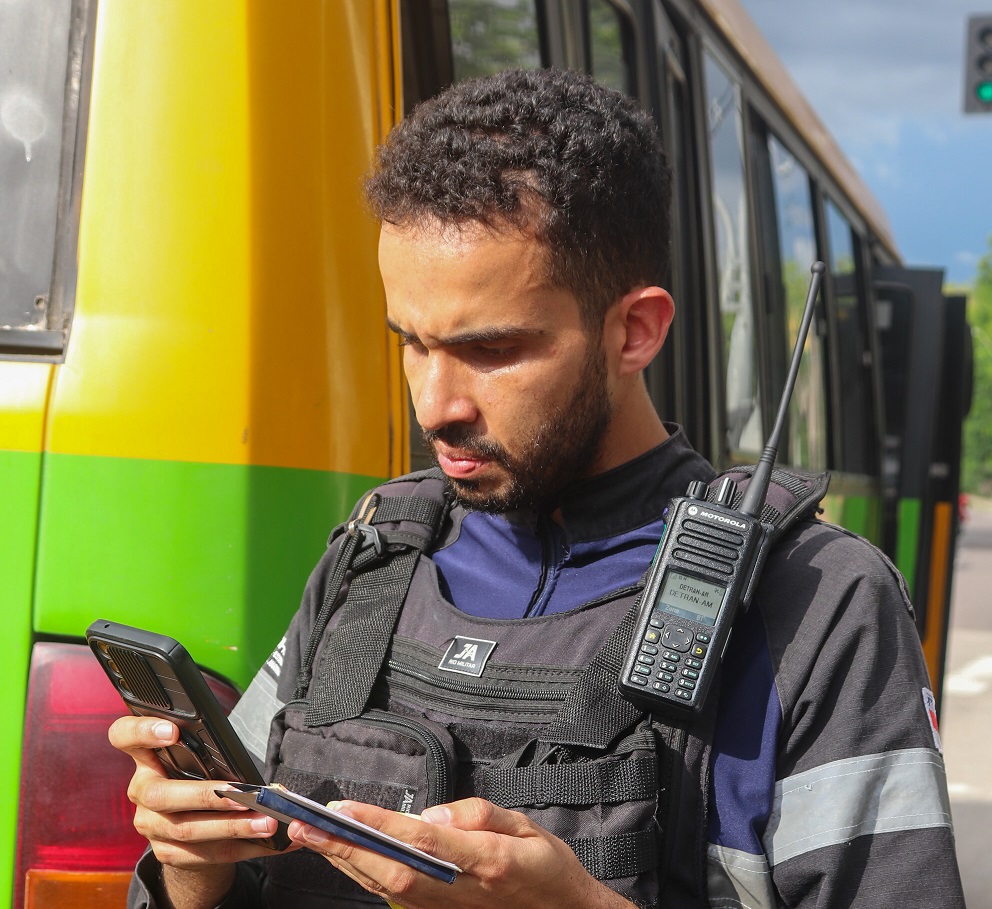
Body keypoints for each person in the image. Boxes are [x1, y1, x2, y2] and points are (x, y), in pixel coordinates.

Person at [110, 68, 964, 909]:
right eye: (411, 342)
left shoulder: (816, 606)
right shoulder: (375, 555)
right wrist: (191, 870)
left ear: (635, 330)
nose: (436, 406)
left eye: (491, 349)